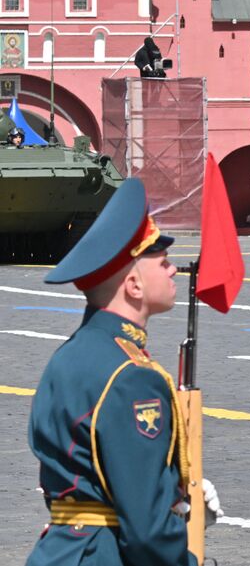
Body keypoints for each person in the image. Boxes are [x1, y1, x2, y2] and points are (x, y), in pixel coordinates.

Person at [27, 178, 197, 566]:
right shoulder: (133, 377)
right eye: (163, 262)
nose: (173, 271)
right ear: (134, 284)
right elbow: (147, 530)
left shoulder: (68, 356)